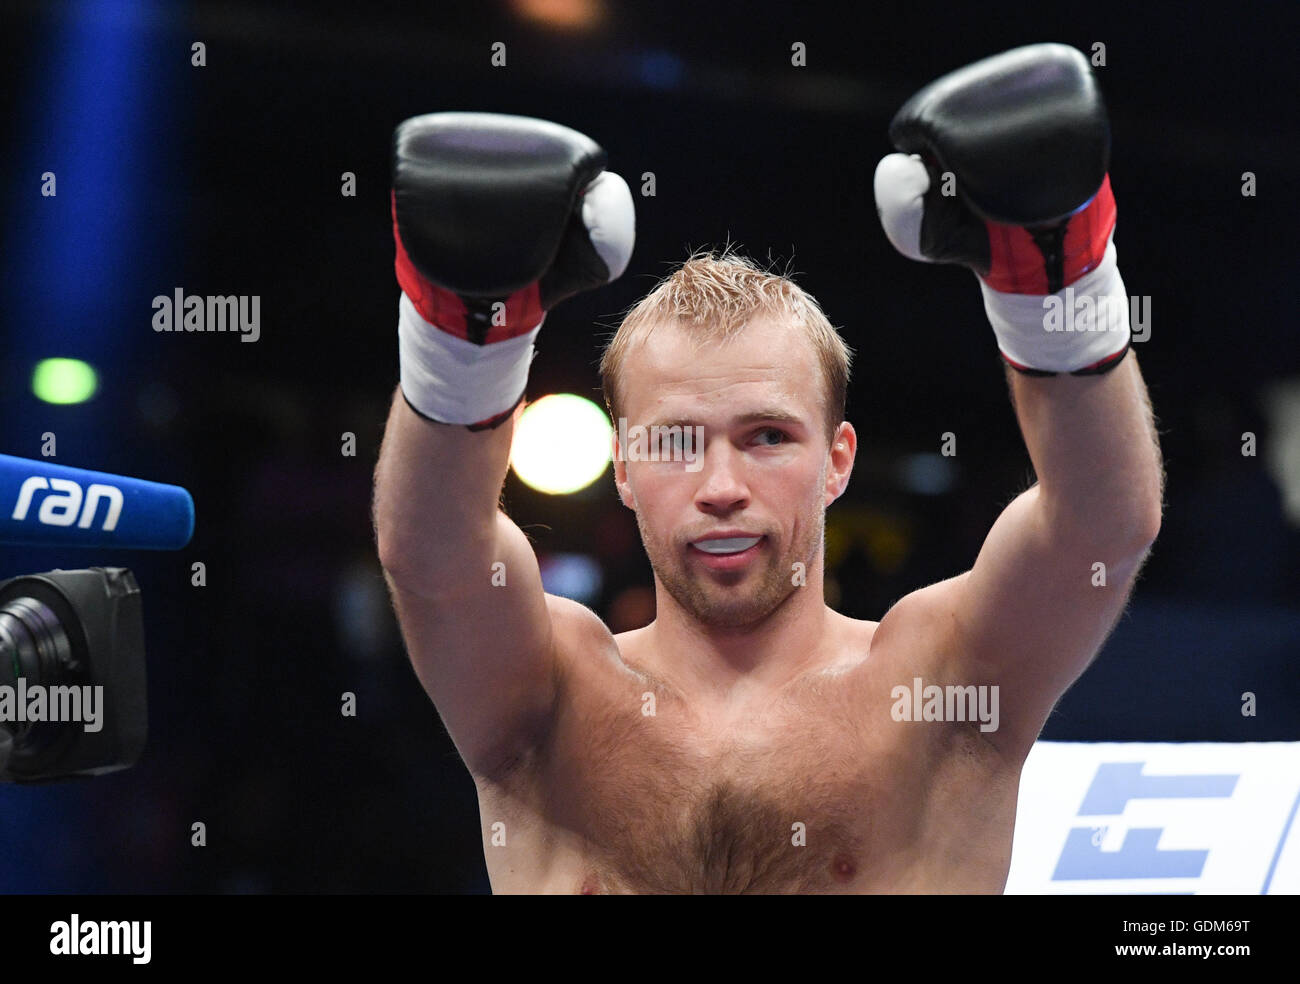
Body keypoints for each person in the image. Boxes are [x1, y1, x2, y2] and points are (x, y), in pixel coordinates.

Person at [372, 43, 1164, 893]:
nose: (720, 487)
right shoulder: (550, 691)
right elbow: (435, 558)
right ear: (625, 468)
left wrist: (1056, 283)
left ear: (837, 461)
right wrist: (460, 337)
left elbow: (1099, 528)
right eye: (677, 441)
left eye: (767, 437)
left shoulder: (935, 684)